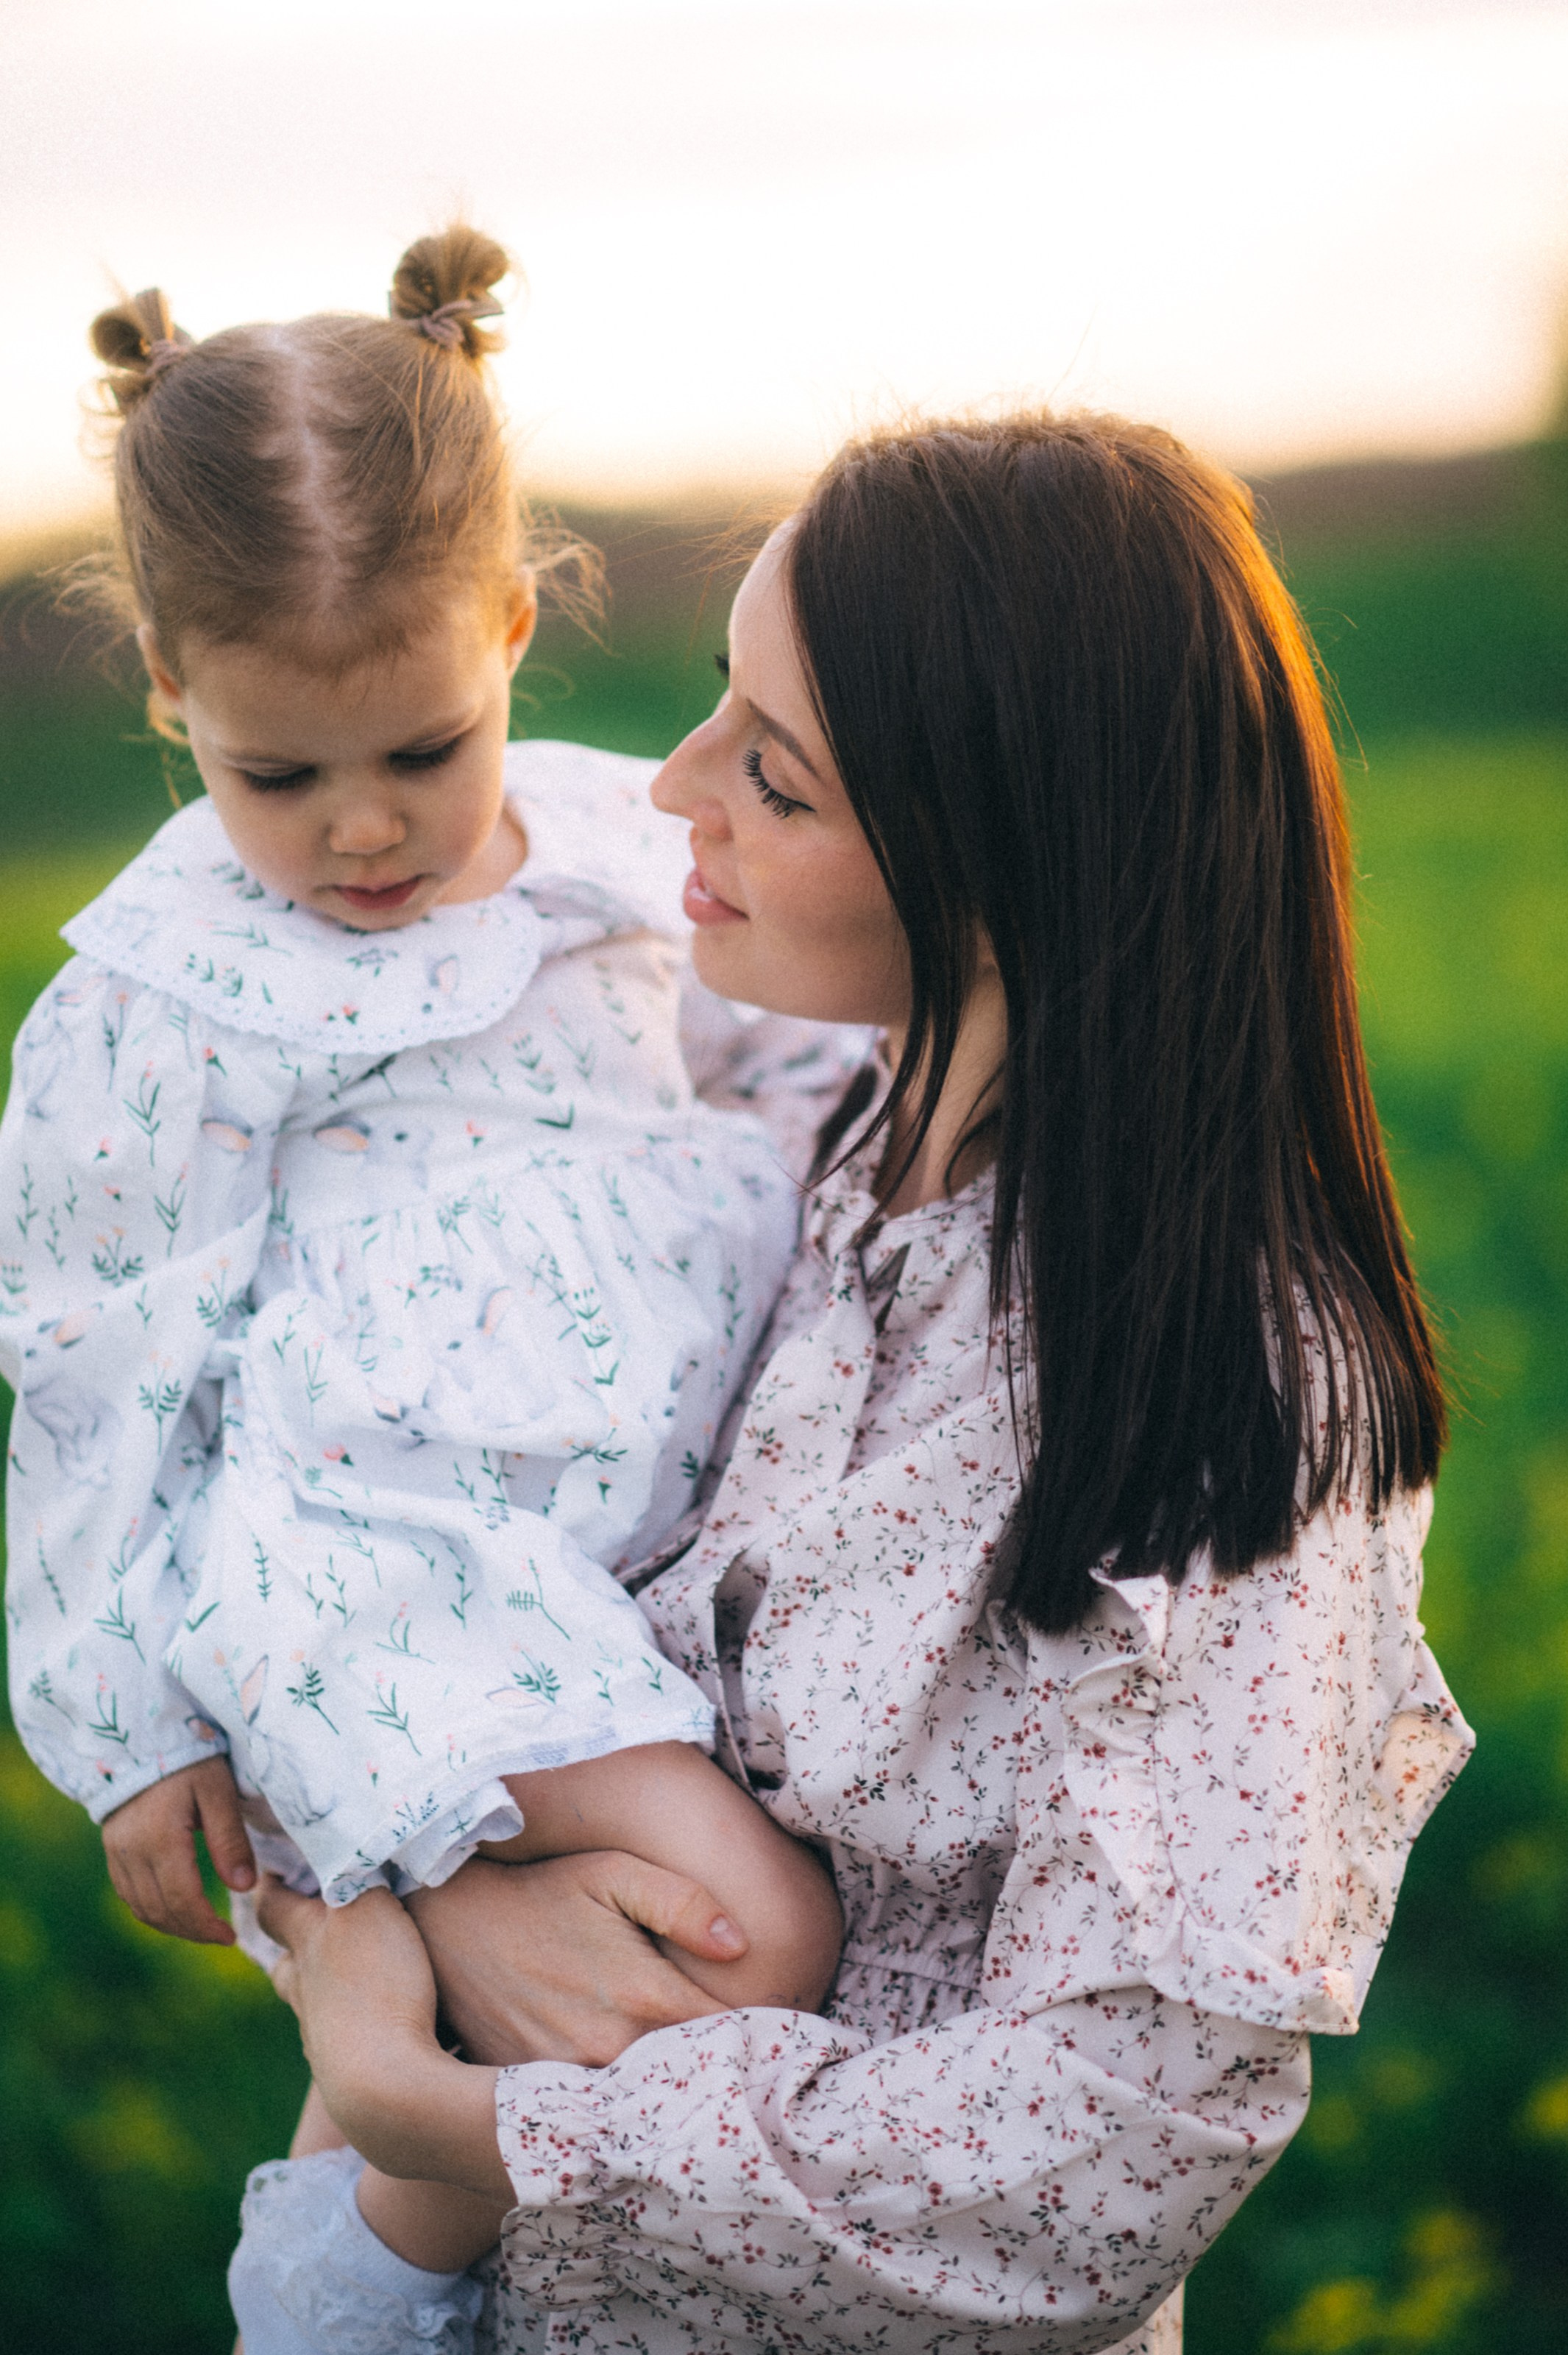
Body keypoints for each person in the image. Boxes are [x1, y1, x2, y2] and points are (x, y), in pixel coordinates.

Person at [252, 409, 1474, 2355]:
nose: (672, 791)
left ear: (1003, 854)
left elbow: (1112, 2148)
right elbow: (350, 1526)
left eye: (777, 776)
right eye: (714, 706)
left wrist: (466, 2111)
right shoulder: (760, 1136)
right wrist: (404, 1918)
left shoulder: (1233, 1383)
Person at [0, 229, 848, 2353]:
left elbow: (768, 1052)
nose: (362, 834)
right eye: (273, 775)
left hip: (605, 1555)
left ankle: (374, 2117)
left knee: (640, 1947)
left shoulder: (607, 850)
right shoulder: (166, 994)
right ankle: (347, 2264)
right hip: (388, 1563)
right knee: (749, 1938)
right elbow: (94, 1361)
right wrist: (124, 1732)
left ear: (507, 624)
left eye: (418, 747)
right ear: (173, 698)